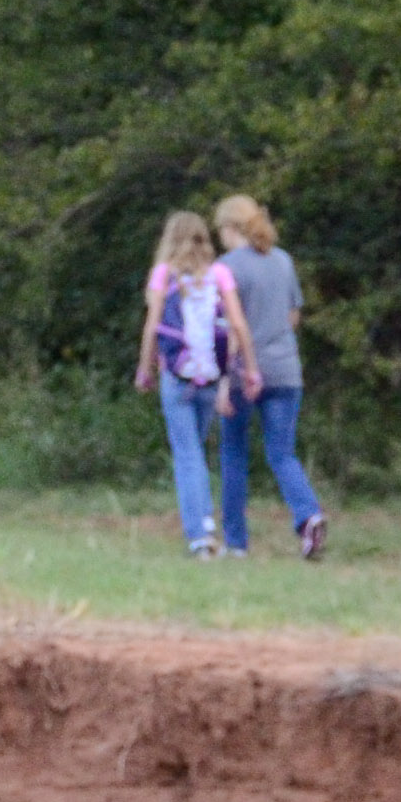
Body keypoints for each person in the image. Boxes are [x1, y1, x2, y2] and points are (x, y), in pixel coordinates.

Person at [209, 194, 325, 559]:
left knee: (233, 453)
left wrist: (223, 381)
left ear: (230, 229)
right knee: (282, 453)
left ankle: (236, 543)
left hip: (245, 371)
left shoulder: (226, 267)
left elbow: (225, 330)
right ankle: (309, 516)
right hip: (286, 369)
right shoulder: (283, 260)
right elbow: (293, 316)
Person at [132, 210, 250, 553]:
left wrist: (145, 368)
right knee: (196, 451)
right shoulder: (220, 274)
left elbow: (153, 326)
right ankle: (206, 524)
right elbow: (236, 328)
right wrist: (234, 372)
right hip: (210, 375)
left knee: (187, 454)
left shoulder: (163, 274)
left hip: (177, 375)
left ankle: (200, 535)